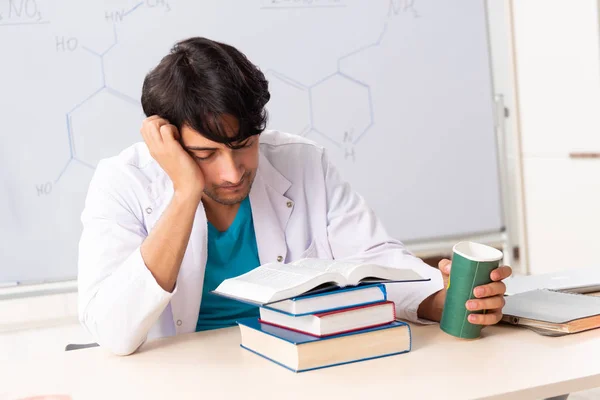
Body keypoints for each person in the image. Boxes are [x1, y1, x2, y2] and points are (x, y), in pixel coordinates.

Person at [77, 37, 512, 356]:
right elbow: (114, 333)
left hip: (297, 365)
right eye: (205, 154)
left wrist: (444, 299)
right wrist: (185, 192)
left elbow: (377, 261)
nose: (232, 173)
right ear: (168, 141)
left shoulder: (301, 162)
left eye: (245, 144)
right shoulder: (123, 183)